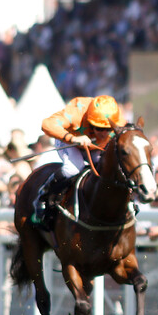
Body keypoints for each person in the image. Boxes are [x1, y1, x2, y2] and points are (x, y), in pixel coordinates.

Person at [33, 95, 127, 229]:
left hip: (94, 147)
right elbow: (46, 124)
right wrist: (72, 138)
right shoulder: (77, 111)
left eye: (108, 129)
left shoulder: (119, 120)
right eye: (99, 128)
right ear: (89, 121)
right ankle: (43, 196)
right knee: (74, 168)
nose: (104, 133)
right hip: (69, 142)